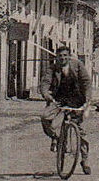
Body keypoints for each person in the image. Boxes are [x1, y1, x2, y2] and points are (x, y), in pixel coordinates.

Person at [40, 45, 93, 174]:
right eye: (60, 56)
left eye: (65, 55)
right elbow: (45, 83)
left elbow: (86, 82)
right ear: (56, 57)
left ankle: (84, 160)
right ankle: (56, 137)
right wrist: (46, 94)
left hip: (76, 99)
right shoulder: (52, 69)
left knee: (81, 133)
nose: (62, 58)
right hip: (58, 100)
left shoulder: (77, 66)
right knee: (45, 117)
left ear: (69, 56)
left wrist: (87, 100)